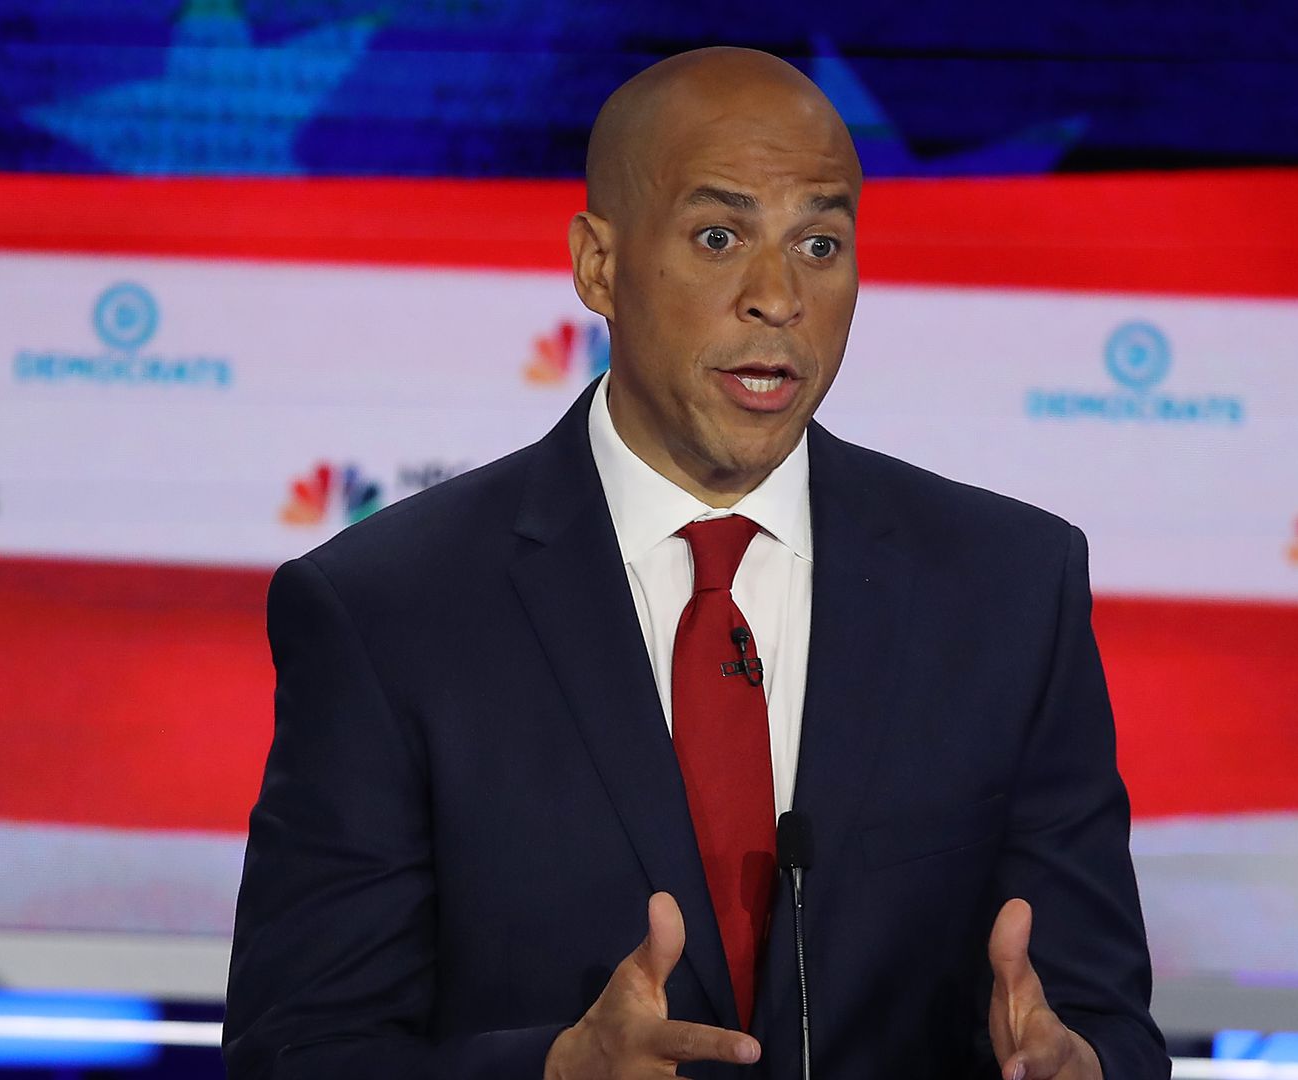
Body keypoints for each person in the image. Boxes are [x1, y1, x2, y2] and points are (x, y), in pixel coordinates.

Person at [224, 47, 1166, 1080]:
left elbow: (1102, 1020)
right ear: (599, 266)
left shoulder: (1007, 590)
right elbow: (298, 1052)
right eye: (719, 237)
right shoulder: (389, 611)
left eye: (819, 243)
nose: (778, 296)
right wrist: (553, 1071)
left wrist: (1082, 1066)